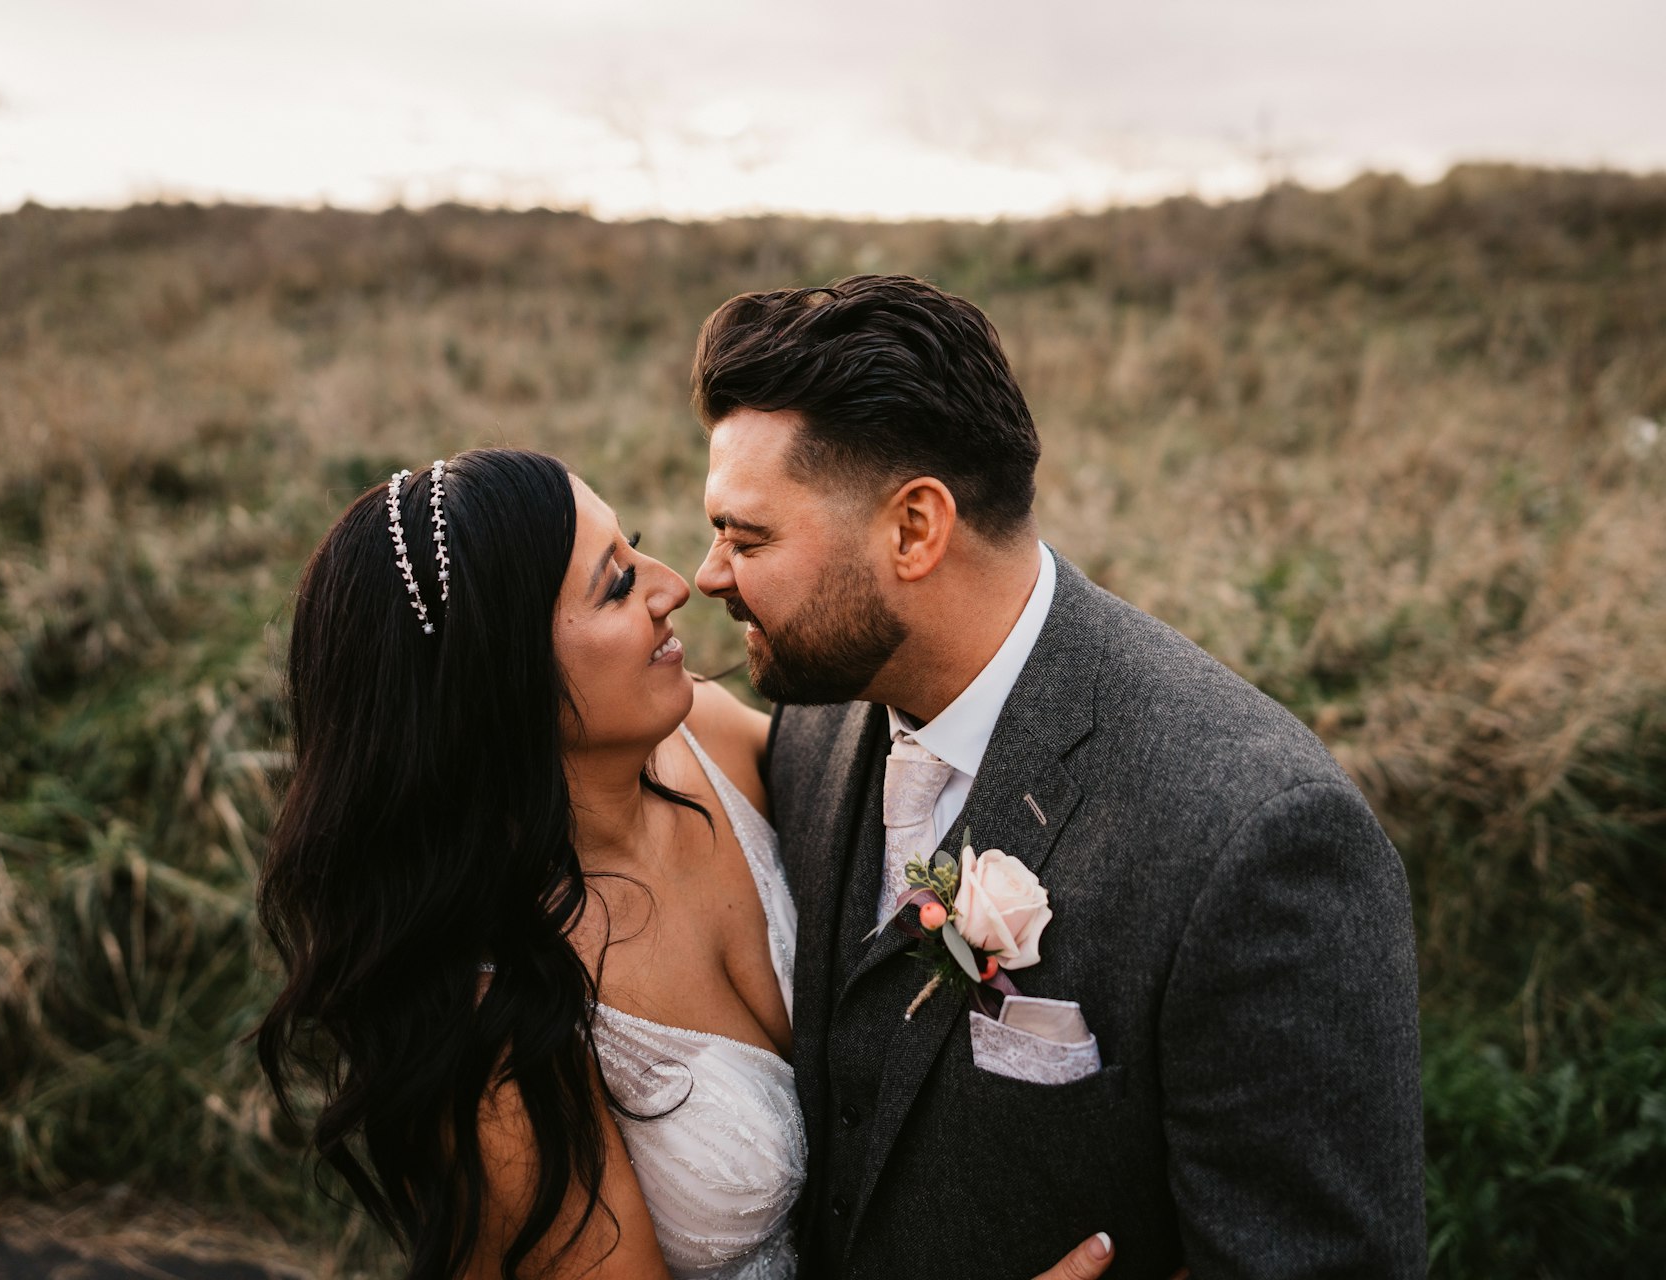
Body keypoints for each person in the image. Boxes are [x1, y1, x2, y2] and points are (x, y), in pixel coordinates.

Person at [688, 275, 1428, 1279]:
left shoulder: (1256, 834)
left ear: (915, 527)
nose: (709, 574)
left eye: (748, 534)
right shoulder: (814, 724)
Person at [253, 448, 1127, 1280]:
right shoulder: (491, 1043)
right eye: (618, 583)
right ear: (502, 683)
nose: (678, 584)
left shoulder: (704, 733)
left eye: (632, 545)